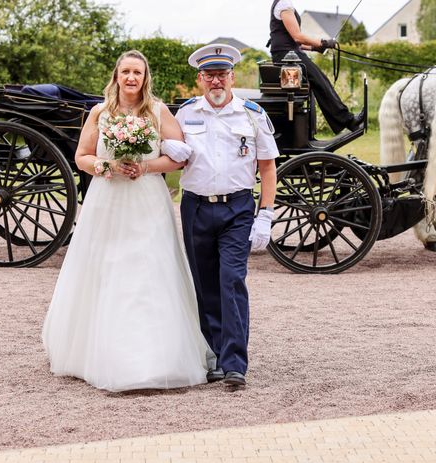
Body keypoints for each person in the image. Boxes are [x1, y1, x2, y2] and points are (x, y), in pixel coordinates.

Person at [42, 50, 213, 392]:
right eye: (126, 72)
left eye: (137, 72)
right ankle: (101, 353)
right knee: (107, 267)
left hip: (147, 199)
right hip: (108, 200)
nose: (132, 78)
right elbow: (82, 157)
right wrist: (109, 167)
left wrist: (145, 166)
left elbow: (178, 158)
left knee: (149, 268)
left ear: (145, 77)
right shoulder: (100, 112)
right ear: (117, 76)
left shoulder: (159, 111)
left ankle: (157, 357)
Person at [175, 44, 279, 387]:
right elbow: (173, 160)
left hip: (237, 208)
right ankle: (215, 356)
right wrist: (165, 148)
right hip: (196, 208)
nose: (216, 81)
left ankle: (235, 362)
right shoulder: (186, 114)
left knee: (231, 280)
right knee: (204, 285)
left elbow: (267, 167)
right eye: (209, 75)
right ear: (200, 79)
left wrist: (265, 215)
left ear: (232, 77)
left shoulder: (252, 115)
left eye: (222, 74)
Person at [268, 0, 364, 133]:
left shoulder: (283, 4)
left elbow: (295, 42)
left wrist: (316, 47)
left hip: (289, 54)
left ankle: (346, 120)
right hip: (287, 56)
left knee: (321, 81)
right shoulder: (284, 4)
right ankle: (348, 121)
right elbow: (297, 37)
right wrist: (323, 42)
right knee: (320, 82)